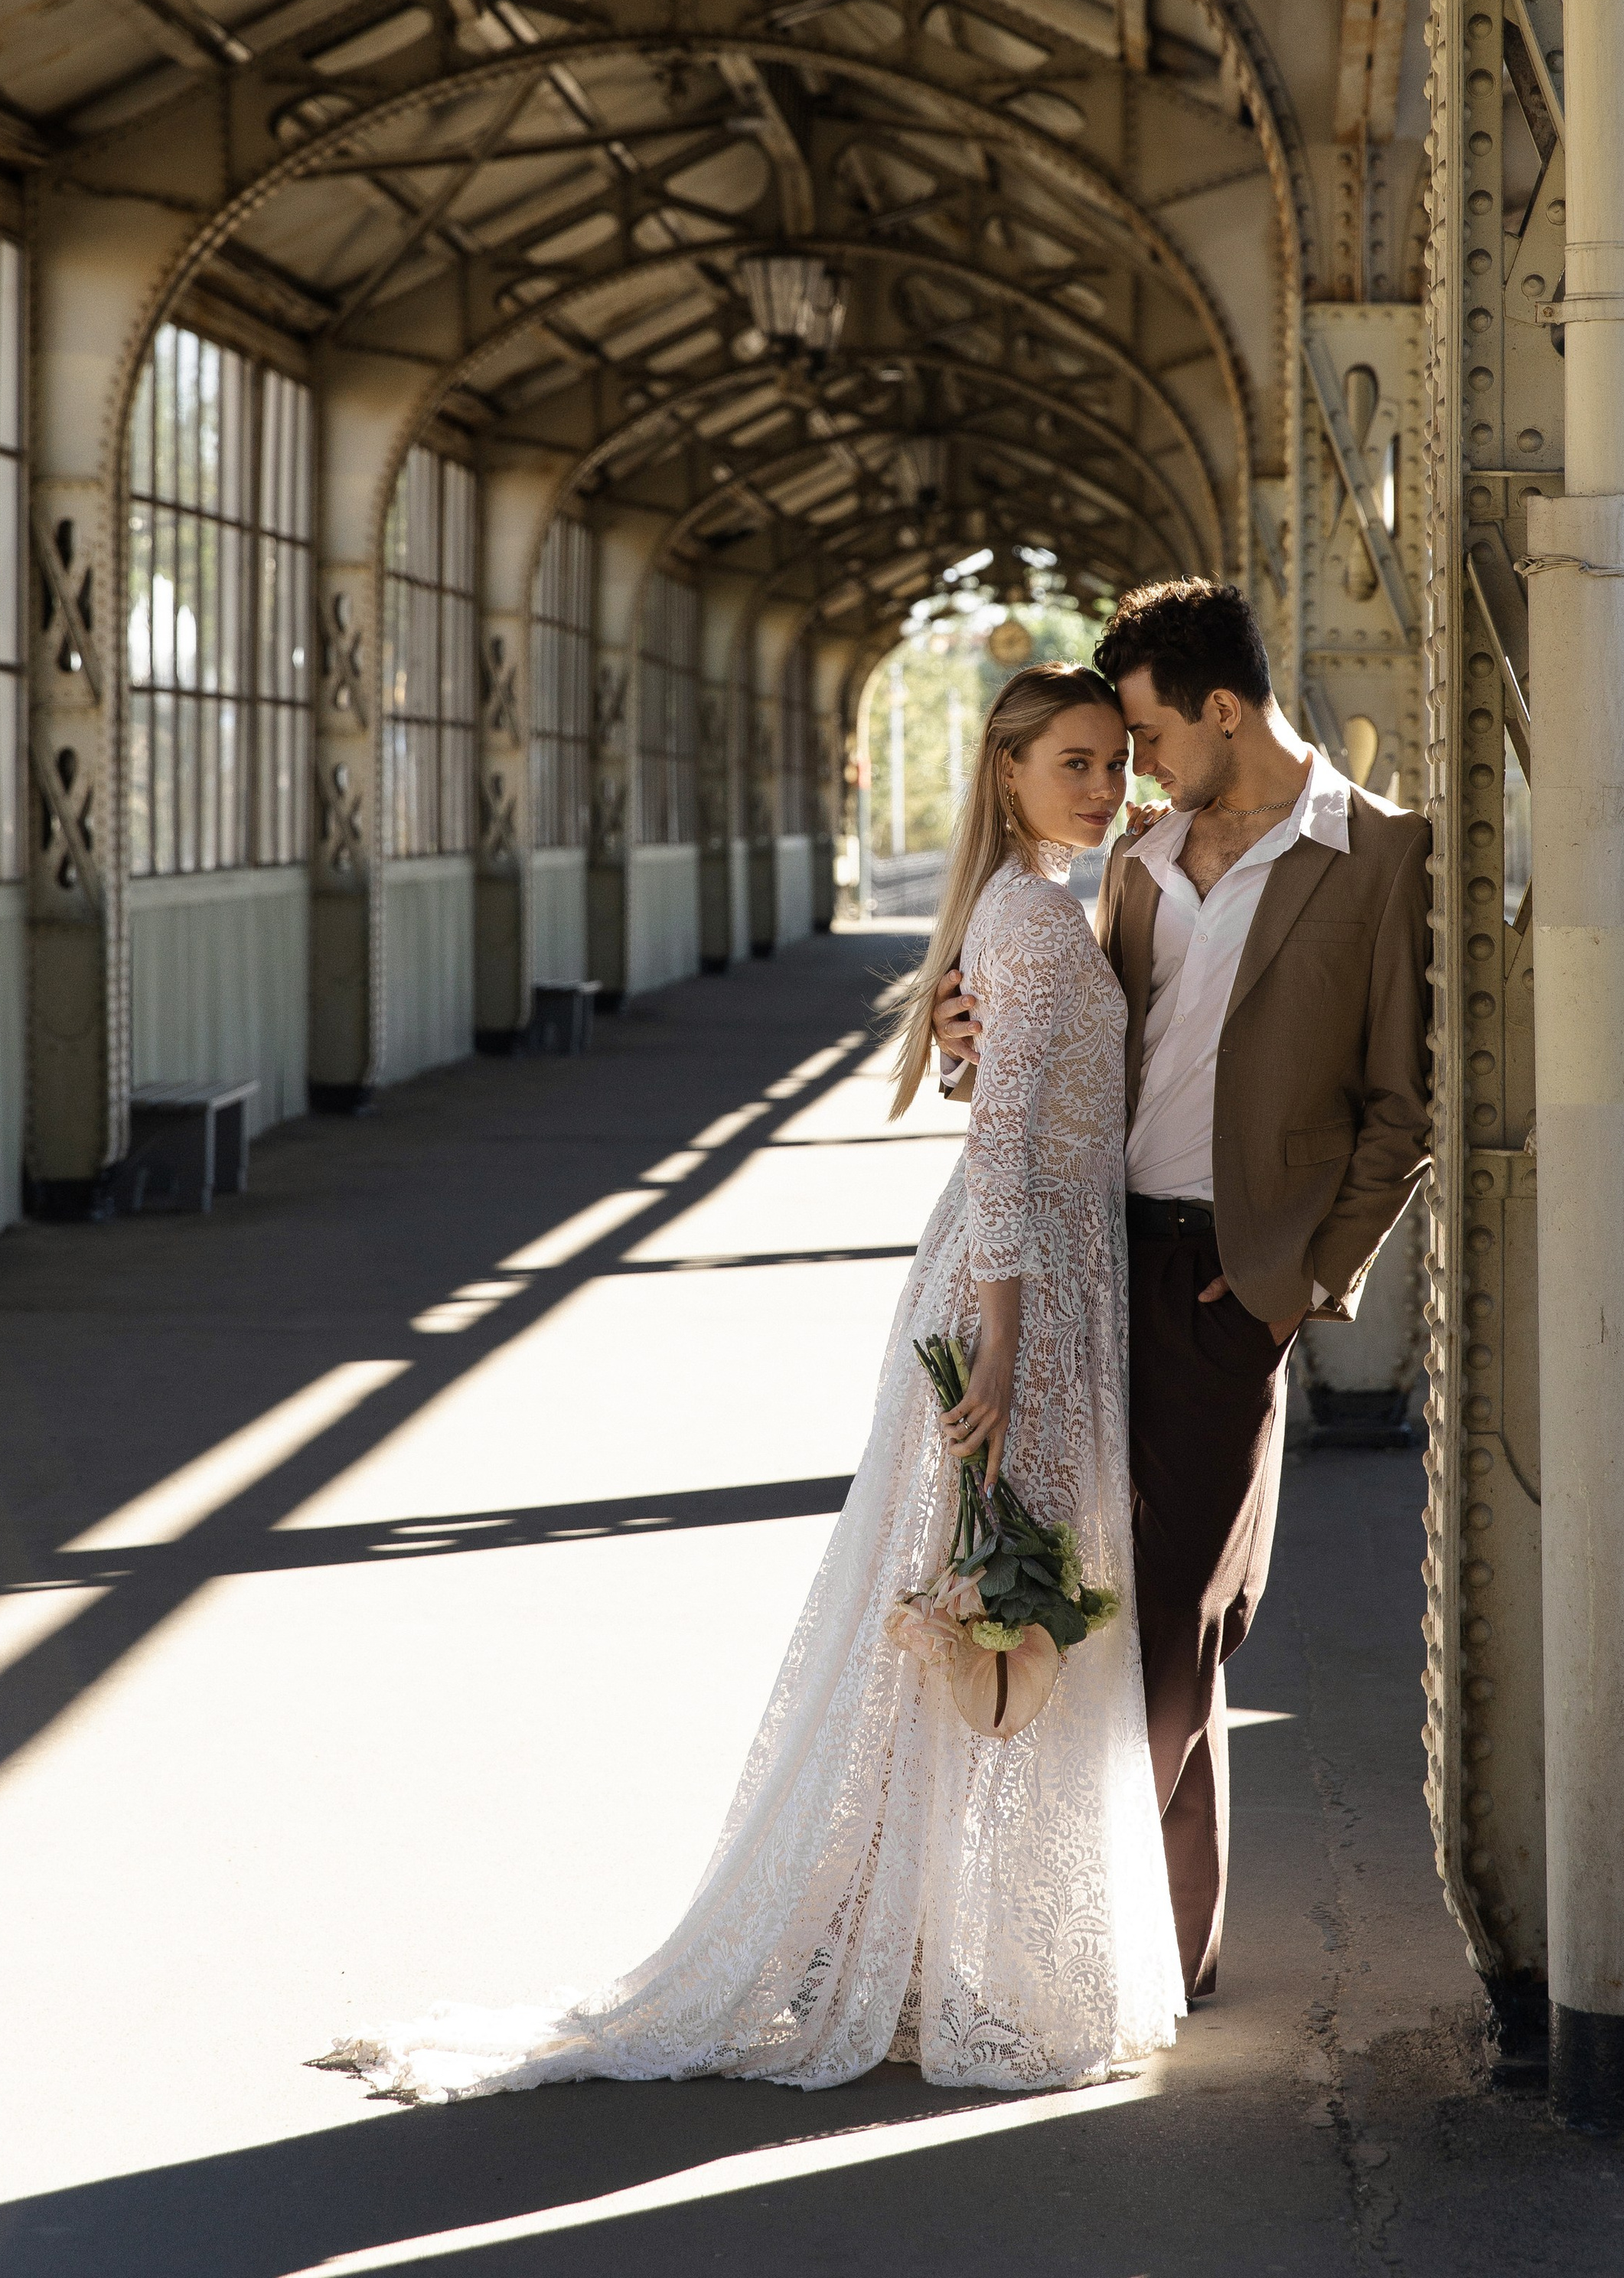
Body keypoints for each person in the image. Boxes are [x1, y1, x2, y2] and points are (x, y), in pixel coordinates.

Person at [321, 664, 1182, 2103]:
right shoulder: (1031, 923)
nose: (1103, 788)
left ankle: (930, 1946)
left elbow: (1019, 1098)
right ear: (1010, 772)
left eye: (1115, 764)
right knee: (993, 1602)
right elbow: (1008, 1153)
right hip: (1024, 1294)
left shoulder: (1032, 906)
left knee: (985, 1609)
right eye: (1075, 764)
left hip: (1042, 1280)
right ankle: (953, 1959)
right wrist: (1009, 1352)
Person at [935, 579, 1431, 2002]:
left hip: (1230, 1277)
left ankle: (1087, 1933)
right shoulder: (1135, 859)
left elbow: (1402, 1109)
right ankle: (1156, 1946)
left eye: (1144, 734)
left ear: (1225, 711)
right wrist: (970, 1042)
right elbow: (1074, 1044)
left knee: (1185, 1615)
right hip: (1095, 1256)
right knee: (1100, 1596)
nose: (1128, 766)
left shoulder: (1383, 857)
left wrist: (1290, 1293)